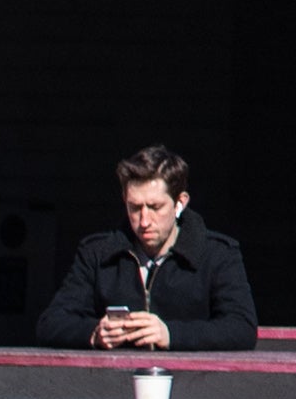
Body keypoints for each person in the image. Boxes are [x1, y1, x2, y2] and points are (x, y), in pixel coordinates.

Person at [37, 145, 256, 354]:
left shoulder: (217, 254)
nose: (144, 221)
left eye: (155, 207)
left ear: (180, 202)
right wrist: (95, 333)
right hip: (112, 383)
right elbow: (51, 323)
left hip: (192, 383)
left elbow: (241, 328)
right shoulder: (97, 253)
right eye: (134, 208)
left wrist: (171, 334)